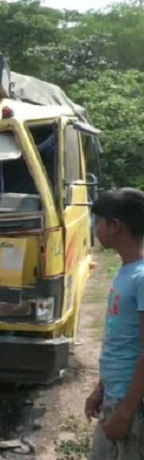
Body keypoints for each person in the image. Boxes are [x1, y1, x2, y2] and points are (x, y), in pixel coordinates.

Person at [84, 188, 144, 460]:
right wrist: (101, 388)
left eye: (98, 222)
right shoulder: (126, 272)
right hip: (115, 396)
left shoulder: (141, 278)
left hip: (132, 406)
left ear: (115, 226)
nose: (95, 228)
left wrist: (125, 412)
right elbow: (120, 341)